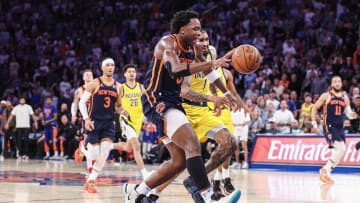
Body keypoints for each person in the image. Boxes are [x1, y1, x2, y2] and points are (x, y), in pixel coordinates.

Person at [123, 10, 241, 203]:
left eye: (200, 29)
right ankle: (208, 196)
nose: (198, 32)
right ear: (182, 29)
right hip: (157, 99)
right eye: (195, 28)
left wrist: (226, 94)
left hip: (173, 101)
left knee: (178, 162)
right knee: (192, 145)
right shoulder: (167, 43)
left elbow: (210, 72)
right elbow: (174, 69)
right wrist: (210, 63)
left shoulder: (193, 48)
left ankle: (136, 191)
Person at [79, 58, 122, 193]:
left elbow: (118, 106)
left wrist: (123, 112)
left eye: (112, 65)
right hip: (94, 122)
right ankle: (82, 147)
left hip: (109, 124)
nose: (110, 67)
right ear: (102, 68)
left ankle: (91, 181)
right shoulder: (95, 83)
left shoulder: (119, 86)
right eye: (107, 65)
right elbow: (81, 103)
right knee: (93, 155)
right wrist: (86, 119)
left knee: (103, 154)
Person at [311, 76, 356, 184]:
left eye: (339, 81)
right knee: (340, 149)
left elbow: (348, 113)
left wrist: (352, 115)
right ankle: (325, 169)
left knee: (342, 150)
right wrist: (314, 123)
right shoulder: (326, 95)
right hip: (329, 126)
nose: (337, 83)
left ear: (341, 84)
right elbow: (314, 108)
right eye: (335, 81)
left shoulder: (345, 97)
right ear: (331, 84)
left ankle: (327, 172)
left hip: (340, 127)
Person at [112, 64, 150, 178]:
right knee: (136, 146)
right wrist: (121, 110)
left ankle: (107, 146)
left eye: (133, 71)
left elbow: (149, 101)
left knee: (128, 147)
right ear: (125, 74)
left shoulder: (141, 87)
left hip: (138, 120)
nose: (132, 73)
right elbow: (115, 106)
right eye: (129, 72)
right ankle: (145, 173)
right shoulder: (121, 88)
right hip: (126, 120)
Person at [72, 69, 95, 177]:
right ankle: (89, 168)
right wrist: (73, 114)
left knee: (96, 144)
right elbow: (74, 104)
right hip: (85, 118)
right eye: (86, 74)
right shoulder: (80, 90)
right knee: (89, 142)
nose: (88, 76)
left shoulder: (97, 87)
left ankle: (82, 147)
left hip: (97, 117)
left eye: (90, 74)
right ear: (83, 78)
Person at [231, 101, 251, 169]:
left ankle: (245, 163)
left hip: (243, 129)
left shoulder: (245, 110)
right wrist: (234, 125)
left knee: (244, 145)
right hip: (235, 130)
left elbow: (247, 121)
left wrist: (240, 124)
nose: (235, 104)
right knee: (236, 146)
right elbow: (230, 122)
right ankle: (237, 163)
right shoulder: (232, 112)